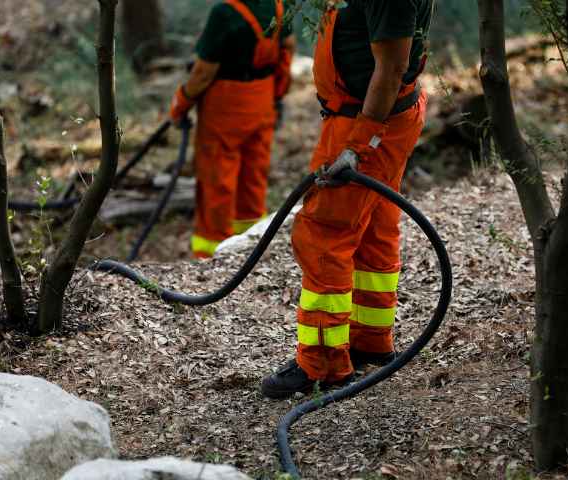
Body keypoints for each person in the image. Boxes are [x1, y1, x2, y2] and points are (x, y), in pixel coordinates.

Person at [262, 0, 435, 398]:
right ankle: (370, 339)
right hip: (373, 118)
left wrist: (359, 145)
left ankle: (321, 363)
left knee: (324, 233)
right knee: (373, 227)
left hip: (367, 123)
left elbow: (391, 68)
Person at [169, 0, 295, 258]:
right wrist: (278, 90)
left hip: (224, 107)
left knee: (217, 180)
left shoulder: (224, 12)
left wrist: (180, 102)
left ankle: (211, 252)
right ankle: (251, 247)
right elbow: (288, 48)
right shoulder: (280, 5)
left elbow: (204, 72)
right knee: (254, 175)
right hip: (262, 99)